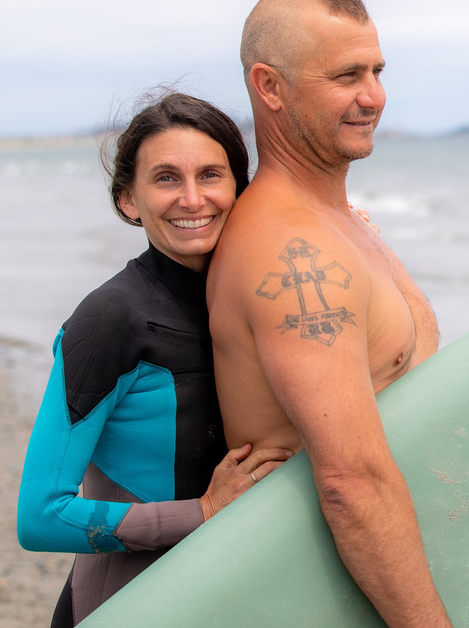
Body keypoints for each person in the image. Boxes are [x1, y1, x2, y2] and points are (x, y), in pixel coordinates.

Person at [206, 0, 451, 628]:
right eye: (346, 76)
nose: (374, 96)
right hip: (324, 599)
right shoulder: (289, 250)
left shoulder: (334, 219)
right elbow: (350, 484)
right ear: (270, 87)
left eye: (376, 70)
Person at [17, 92, 293, 627]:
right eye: (166, 178)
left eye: (211, 175)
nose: (193, 199)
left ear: (241, 189)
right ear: (128, 200)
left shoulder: (258, 298)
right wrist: (203, 512)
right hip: (122, 608)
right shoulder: (109, 320)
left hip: (225, 598)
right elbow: (40, 517)